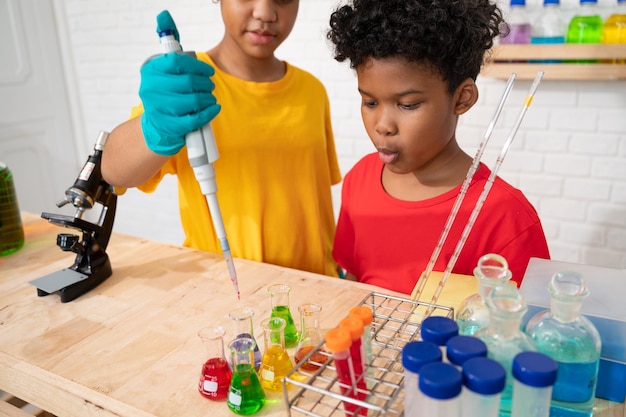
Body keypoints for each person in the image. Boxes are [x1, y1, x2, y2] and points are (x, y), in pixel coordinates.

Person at [101, 1, 342, 277]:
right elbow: (114, 171)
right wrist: (155, 125)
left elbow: (317, 202)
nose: (265, 12)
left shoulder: (312, 91)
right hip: (226, 290)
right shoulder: (187, 86)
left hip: (316, 287)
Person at [327, 0, 550, 295]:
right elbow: (352, 282)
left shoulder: (504, 216)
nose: (382, 125)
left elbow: (525, 324)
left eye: (407, 105)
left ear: (462, 98)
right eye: (370, 102)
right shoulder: (360, 180)